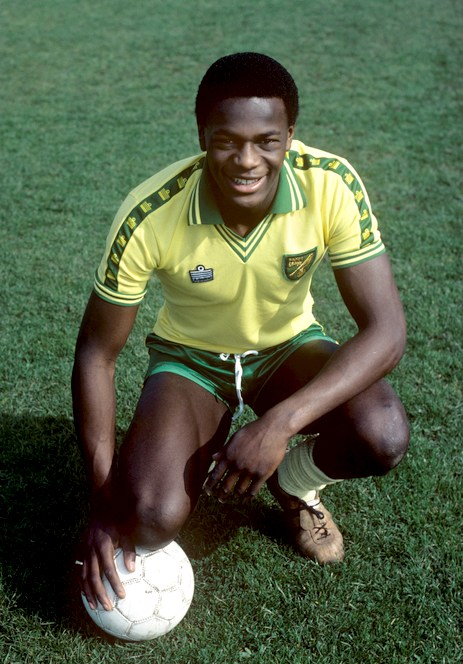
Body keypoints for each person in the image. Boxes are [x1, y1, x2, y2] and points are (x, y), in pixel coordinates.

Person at [72, 52, 409, 611]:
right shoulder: (151, 211)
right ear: (203, 136)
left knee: (383, 433)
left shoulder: (330, 183)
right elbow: (96, 355)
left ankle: (293, 484)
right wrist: (103, 502)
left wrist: (279, 425)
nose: (247, 160)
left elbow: (387, 330)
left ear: (289, 135)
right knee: (148, 517)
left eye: (267, 141)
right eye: (227, 141)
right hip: (191, 360)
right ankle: (186, 450)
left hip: (289, 348)